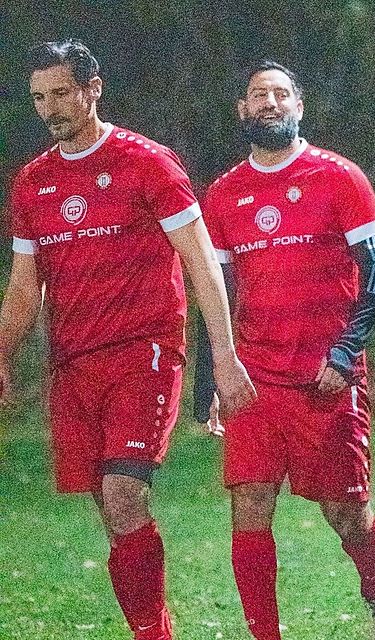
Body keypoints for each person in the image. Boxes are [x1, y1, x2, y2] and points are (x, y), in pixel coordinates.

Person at [0, 39, 256, 640]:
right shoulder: (33, 183)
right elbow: (22, 288)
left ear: (93, 89)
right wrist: (3, 354)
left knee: (122, 493)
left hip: (145, 352)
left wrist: (224, 354)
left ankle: (152, 636)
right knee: (111, 512)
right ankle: (151, 624)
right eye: (39, 97)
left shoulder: (147, 162)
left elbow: (201, 262)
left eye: (61, 93)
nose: (50, 108)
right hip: (73, 364)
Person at [194, 60, 375, 640]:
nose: (269, 102)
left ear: (299, 107)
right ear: (243, 110)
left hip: (325, 376)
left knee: (348, 517)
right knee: (249, 507)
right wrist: (214, 377)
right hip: (254, 375)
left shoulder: (339, 177)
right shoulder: (225, 193)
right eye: (258, 94)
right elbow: (217, 291)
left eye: (281, 94)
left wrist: (344, 354)